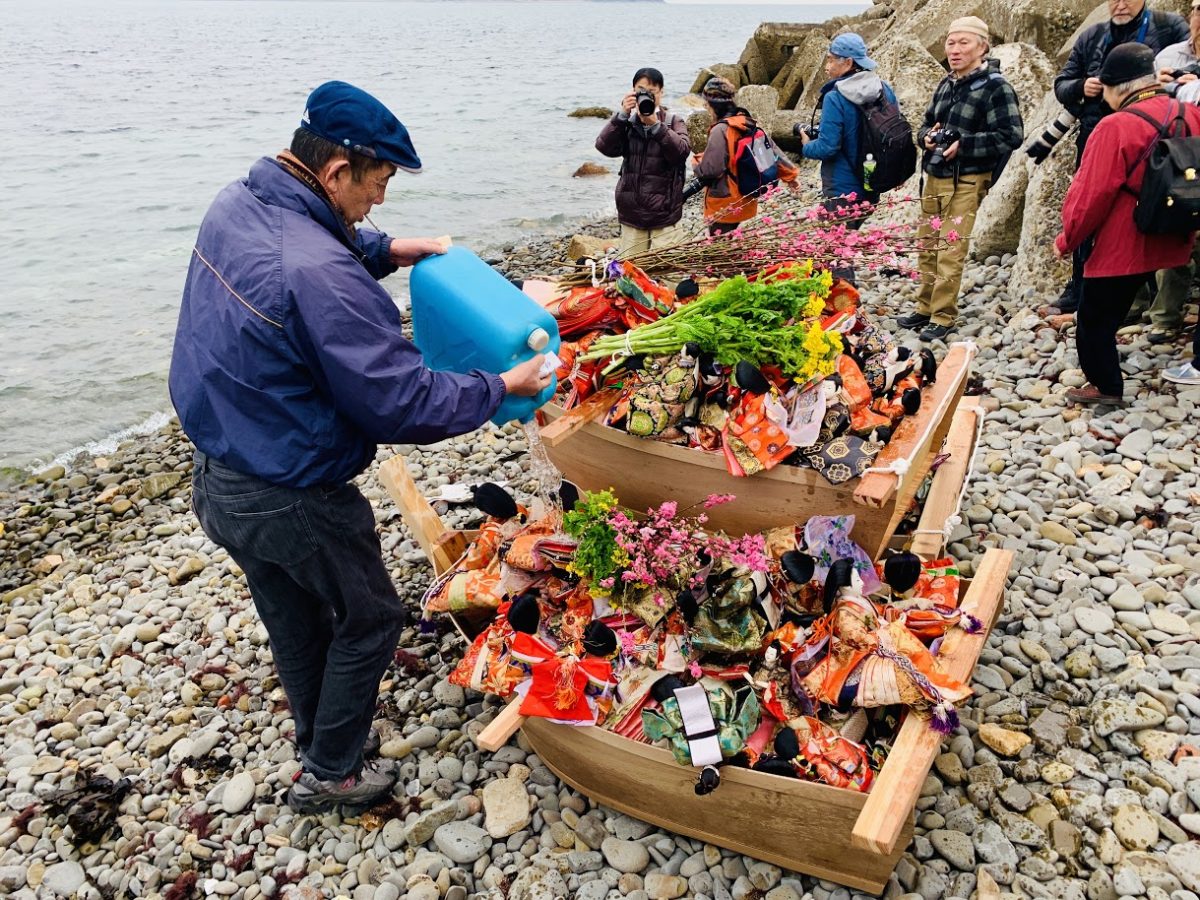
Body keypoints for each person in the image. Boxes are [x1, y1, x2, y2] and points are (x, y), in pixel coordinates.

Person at [168, 81, 551, 813]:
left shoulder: (239, 203)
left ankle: (319, 740)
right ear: (338, 169)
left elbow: (307, 252)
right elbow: (399, 397)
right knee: (372, 616)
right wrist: (500, 384)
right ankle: (333, 773)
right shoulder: (317, 271)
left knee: (293, 614)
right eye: (377, 185)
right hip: (292, 491)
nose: (379, 201)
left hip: (219, 476)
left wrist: (389, 250)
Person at [1054, 44, 1200, 404]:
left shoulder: (1116, 125)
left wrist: (1067, 239)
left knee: (1093, 317)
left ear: (1118, 87)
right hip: (1176, 229)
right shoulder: (1190, 111)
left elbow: (1090, 196)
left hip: (1126, 240)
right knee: (1118, 304)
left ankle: (1105, 387)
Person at [1051, 0, 1188, 314]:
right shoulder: (1092, 35)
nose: (1121, 4)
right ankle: (1082, 285)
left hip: (1152, 134)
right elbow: (1061, 84)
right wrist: (1081, 87)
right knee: (1091, 203)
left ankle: (1157, 303)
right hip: (1095, 130)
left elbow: (1185, 63)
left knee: (1153, 210)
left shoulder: (1168, 26)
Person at [900, 17, 1023, 343]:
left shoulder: (997, 87)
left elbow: (1011, 136)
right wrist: (926, 138)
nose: (954, 49)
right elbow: (925, 125)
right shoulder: (946, 83)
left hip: (968, 180)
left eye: (963, 43)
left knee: (950, 249)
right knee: (927, 245)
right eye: (951, 43)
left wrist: (964, 144)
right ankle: (924, 307)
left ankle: (942, 316)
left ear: (982, 46)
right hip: (935, 175)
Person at [798, 33, 899, 285]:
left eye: (831, 60)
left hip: (842, 187)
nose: (826, 65)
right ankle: (824, 297)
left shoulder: (836, 97)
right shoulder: (884, 90)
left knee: (836, 251)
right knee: (841, 241)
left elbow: (828, 147)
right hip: (872, 182)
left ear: (848, 62)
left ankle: (848, 308)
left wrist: (807, 146)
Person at [595, 67, 692, 255]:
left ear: (661, 93)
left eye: (652, 92)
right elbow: (604, 146)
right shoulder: (627, 123)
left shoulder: (673, 122)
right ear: (632, 91)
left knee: (666, 273)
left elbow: (681, 152)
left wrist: (656, 125)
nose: (646, 96)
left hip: (664, 215)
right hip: (632, 214)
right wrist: (622, 115)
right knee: (633, 272)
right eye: (641, 91)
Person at [1149, 1, 1200, 344]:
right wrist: (1160, 83)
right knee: (1172, 230)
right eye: (1198, 11)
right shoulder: (1169, 54)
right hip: (1174, 155)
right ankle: (1163, 316)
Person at [693, 77, 799, 236]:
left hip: (725, 203)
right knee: (736, 246)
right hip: (747, 198)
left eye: (706, 103)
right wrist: (790, 176)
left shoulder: (720, 130)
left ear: (713, 105)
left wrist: (695, 162)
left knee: (720, 250)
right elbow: (773, 151)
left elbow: (711, 170)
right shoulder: (747, 122)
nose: (705, 106)